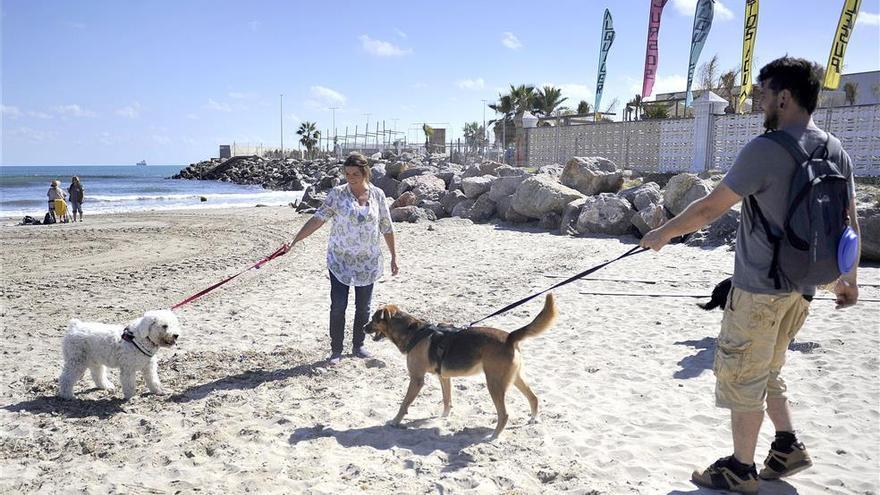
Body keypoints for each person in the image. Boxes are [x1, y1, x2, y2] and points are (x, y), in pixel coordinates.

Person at [640, 56, 860, 493]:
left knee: (742, 376)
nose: (759, 103)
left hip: (759, 289)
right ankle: (786, 447)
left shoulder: (767, 148)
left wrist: (661, 234)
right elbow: (848, 224)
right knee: (768, 368)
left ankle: (740, 469)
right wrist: (848, 280)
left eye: (762, 94)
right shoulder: (835, 148)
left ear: (784, 96)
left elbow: (707, 208)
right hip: (804, 290)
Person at [287, 152, 399, 365]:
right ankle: (336, 349)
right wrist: (295, 241)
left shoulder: (377, 195)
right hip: (340, 260)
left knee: (363, 307)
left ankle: (358, 345)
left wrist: (394, 256)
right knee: (338, 305)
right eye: (347, 173)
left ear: (365, 172)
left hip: (368, 260)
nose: (351, 177)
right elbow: (318, 219)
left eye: (355, 173)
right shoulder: (337, 194)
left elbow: (386, 226)